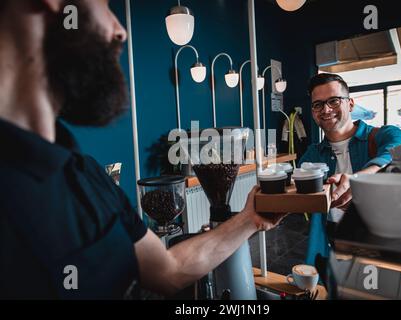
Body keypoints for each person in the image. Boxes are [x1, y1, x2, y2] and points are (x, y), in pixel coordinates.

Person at [0, 0, 286, 299]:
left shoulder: (86, 174)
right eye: (105, 5)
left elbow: (168, 269)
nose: (120, 30)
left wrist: (250, 218)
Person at [298, 73, 401, 266]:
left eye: (334, 101)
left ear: (350, 104)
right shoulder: (312, 155)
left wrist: (360, 178)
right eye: (318, 104)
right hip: (333, 237)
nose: (326, 109)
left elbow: (398, 142)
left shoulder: (379, 136)